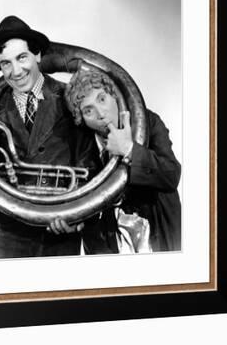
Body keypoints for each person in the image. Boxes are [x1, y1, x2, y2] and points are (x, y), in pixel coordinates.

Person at [0, 15, 97, 259]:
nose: (16, 71)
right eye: (6, 63)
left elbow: (90, 165)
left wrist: (78, 216)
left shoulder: (70, 97)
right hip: (10, 232)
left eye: (22, 58)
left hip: (61, 227)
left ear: (38, 55)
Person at [51, 69, 181, 252]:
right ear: (82, 120)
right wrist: (74, 222)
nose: (101, 114)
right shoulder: (80, 145)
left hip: (155, 240)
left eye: (102, 99)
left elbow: (171, 175)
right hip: (107, 248)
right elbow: (83, 202)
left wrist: (129, 149)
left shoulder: (148, 122)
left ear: (114, 96)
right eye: (88, 111)